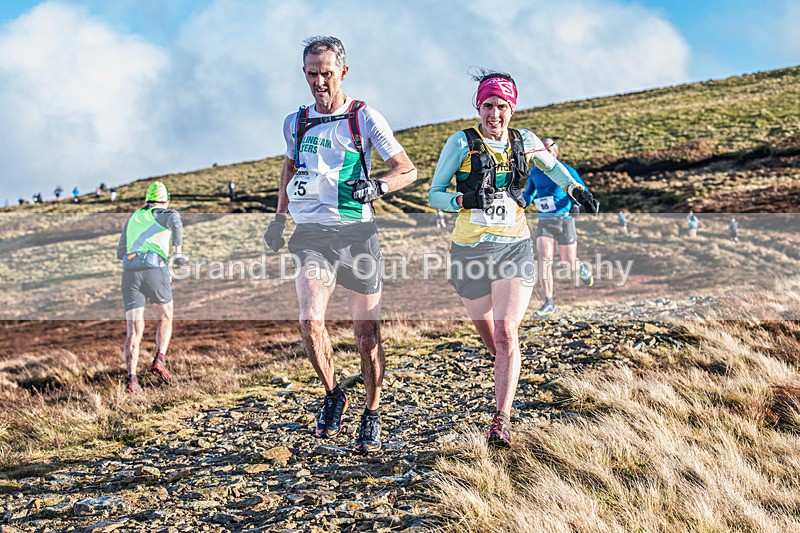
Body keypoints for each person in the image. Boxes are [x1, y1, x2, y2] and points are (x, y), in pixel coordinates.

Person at [263, 36, 417, 454]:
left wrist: (379, 185)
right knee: (310, 322)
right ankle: (333, 393)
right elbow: (290, 165)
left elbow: (407, 169)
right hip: (312, 235)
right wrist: (279, 218)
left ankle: (372, 413)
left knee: (366, 337)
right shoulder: (295, 122)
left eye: (327, 73)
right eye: (312, 74)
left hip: (357, 234)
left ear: (342, 72)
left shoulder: (363, 117)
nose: (319, 82)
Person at [428, 71, 598, 448]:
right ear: (478, 106)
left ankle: (500, 419)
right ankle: (508, 367)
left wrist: (578, 191)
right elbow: (434, 194)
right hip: (470, 250)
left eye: (502, 106)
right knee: (494, 342)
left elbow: (554, 169)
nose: (494, 114)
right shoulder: (461, 143)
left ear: (512, 108)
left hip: (514, 246)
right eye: (487, 106)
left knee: (506, 333)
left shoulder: (526, 142)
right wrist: (465, 200)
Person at [116, 181, 186, 394]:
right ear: (166, 200)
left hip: (130, 274)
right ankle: (159, 359)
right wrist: (178, 251)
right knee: (166, 315)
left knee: (134, 329)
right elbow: (176, 222)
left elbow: (120, 250)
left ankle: (132, 380)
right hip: (154, 269)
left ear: (146, 200)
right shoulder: (164, 212)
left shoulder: (133, 217)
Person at [522, 138, 594, 317]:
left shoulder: (566, 170)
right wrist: (519, 202)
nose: (546, 151)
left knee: (568, 261)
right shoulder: (535, 173)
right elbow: (529, 195)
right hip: (545, 221)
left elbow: (581, 189)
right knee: (544, 260)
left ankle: (581, 268)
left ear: (557, 151)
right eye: (542, 149)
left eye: (549, 148)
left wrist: (577, 204)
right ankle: (549, 302)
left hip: (564, 220)